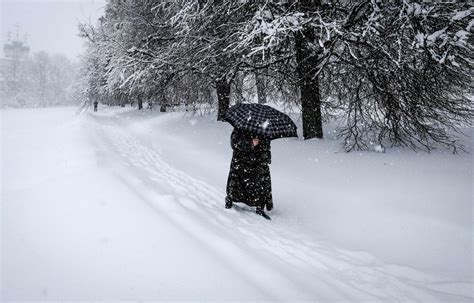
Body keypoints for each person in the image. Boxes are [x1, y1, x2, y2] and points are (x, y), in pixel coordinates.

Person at [225, 129, 273, 217]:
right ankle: (230, 199)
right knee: (236, 181)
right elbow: (234, 143)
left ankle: (260, 205)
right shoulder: (240, 126)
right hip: (241, 161)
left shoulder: (264, 129)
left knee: (260, 182)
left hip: (257, 162)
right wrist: (250, 143)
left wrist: (260, 145)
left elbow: (267, 147)